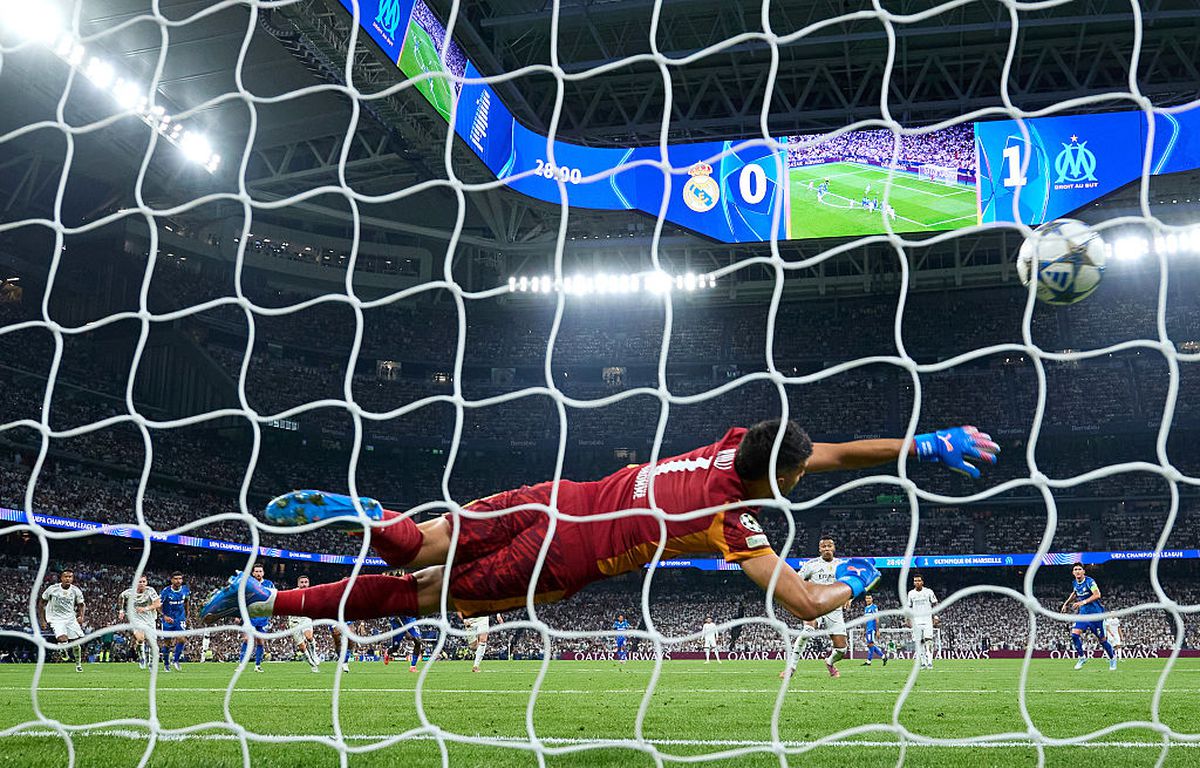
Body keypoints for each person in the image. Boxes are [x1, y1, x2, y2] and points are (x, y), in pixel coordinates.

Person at [203, 422, 998, 638]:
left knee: (430, 543)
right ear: (779, 479)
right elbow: (801, 603)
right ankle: (271, 602)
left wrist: (922, 446)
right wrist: (853, 585)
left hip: (555, 494)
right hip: (563, 555)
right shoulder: (733, 523)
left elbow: (823, 451)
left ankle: (373, 519)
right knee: (420, 597)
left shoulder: (731, 449)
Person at [781, 537, 851, 679]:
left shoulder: (842, 565)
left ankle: (830, 662)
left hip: (834, 608)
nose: (827, 549)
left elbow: (850, 584)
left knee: (842, 650)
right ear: (819, 549)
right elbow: (797, 581)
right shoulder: (811, 565)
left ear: (834, 548)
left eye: (829, 546)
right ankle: (791, 667)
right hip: (815, 605)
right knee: (807, 631)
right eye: (824, 546)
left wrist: (849, 598)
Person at [1062, 564, 1117, 671]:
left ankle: (1112, 658)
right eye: (1075, 570)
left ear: (1083, 572)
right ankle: (1082, 657)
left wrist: (1083, 602)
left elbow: (1097, 594)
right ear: (1073, 573)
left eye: (1079, 569)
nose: (1077, 571)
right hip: (1083, 615)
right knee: (1074, 635)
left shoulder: (1090, 581)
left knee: (1102, 640)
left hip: (1096, 615)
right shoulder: (1075, 583)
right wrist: (1066, 603)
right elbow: (1074, 593)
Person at [40, 569, 85, 672]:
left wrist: (81, 616)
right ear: (61, 578)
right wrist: (42, 620)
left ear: (72, 579)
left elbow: (81, 605)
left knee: (76, 643)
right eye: (66, 577)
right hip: (56, 618)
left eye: (70, 577)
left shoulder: (75, 590)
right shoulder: (52, 589)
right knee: (62, 638)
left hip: (70, 618)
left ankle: (78, 664)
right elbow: (41, 603)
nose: (68, 579)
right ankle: (63, 649)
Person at [118, 575, 161, 671]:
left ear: (146, 583)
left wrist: (145, 608)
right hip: (136, 620)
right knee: (140, 638)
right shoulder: (129, 592)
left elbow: (157, 604)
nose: (141, 584)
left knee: (152, 643)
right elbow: (121, 597)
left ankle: (151, 662)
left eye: (143, 582)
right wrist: (121, 610)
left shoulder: (150, 591)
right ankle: (142, 657)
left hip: (150, 620)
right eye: (139, 582)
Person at [239, 563, 273, 673]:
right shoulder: (248, 584)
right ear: (253, 573)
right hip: (250, 615)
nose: (258, 573)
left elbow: (273, 597)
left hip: (263, 617)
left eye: (260, 571)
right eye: (256, 571)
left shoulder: (269, 584)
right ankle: (241, 664)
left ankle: (257, 665)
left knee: (260, 642)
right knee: (247, 639)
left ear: (263, 573)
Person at [288, 575, 321, 673]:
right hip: (294, 621)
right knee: (302, 647)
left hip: (305, 618)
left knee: (309, 637)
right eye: (302, 582)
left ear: (308, 583)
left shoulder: (312, 593)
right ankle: (311, 663)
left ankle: (314, 653)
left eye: (306, 582)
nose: (304, 584)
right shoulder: (293, 593)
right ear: (298, 584)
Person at [906, 573, 938, 670]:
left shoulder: (928, 592)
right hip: (916, 621)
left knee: (929, 641)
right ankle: (923, 662)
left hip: (927, 620)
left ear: (922, 582)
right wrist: (908, 619)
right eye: (915, 581)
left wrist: (935, 617)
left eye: (919, 580)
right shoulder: (911, 593)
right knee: (919, 643)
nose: (917, 582)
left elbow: (935, 603)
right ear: (913, 582)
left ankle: (930, 662)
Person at [159, 571, 189, 672]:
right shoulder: (166, 591)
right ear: (171, 580)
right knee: (167, 643)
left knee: (182, 639)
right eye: (176, 579)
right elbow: (158, 605)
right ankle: (166, 664)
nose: (178, 581)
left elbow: (186, 602)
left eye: (180, 579)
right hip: (168, 619)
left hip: (180, 618)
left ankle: (176, 660)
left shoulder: (185, 589)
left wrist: (187, 615)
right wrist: (164, 616)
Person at [861, 594, 886, 666]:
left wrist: (877, 630)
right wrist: (864, 631)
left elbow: (877, 619)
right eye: (867, 598)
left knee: (870, 644)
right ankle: (883, 657)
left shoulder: (874, 607)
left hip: (872, 628)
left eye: (869, 598)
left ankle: (869, 661)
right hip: (868, 629)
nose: (868, 600)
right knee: (870, 645)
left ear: (872, 599)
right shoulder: (866, 608)